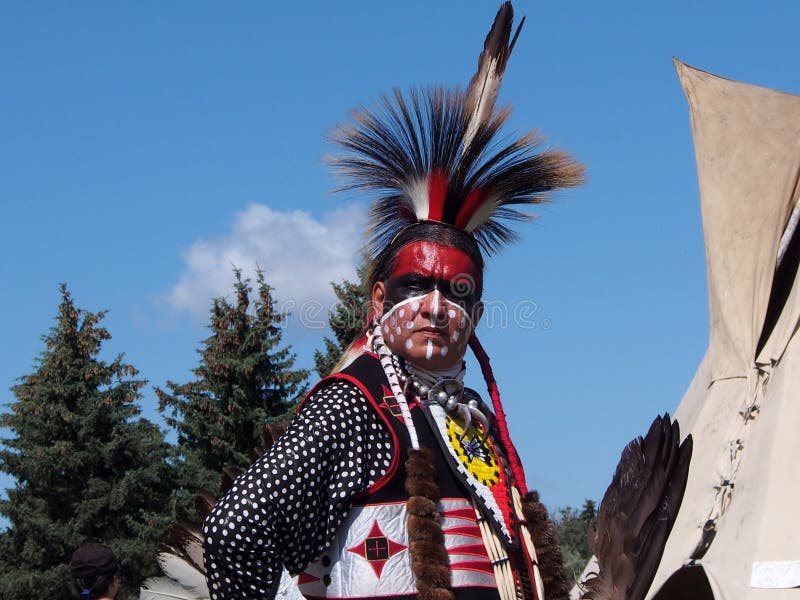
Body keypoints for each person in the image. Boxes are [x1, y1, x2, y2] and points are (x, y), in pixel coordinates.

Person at [202, 3, 583, 599]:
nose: (435, 306)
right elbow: (237, 528)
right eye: (415, 286)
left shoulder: (470, 416)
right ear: (379, 299)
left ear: (478, 317)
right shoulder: (357, 403)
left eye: (458, 292)